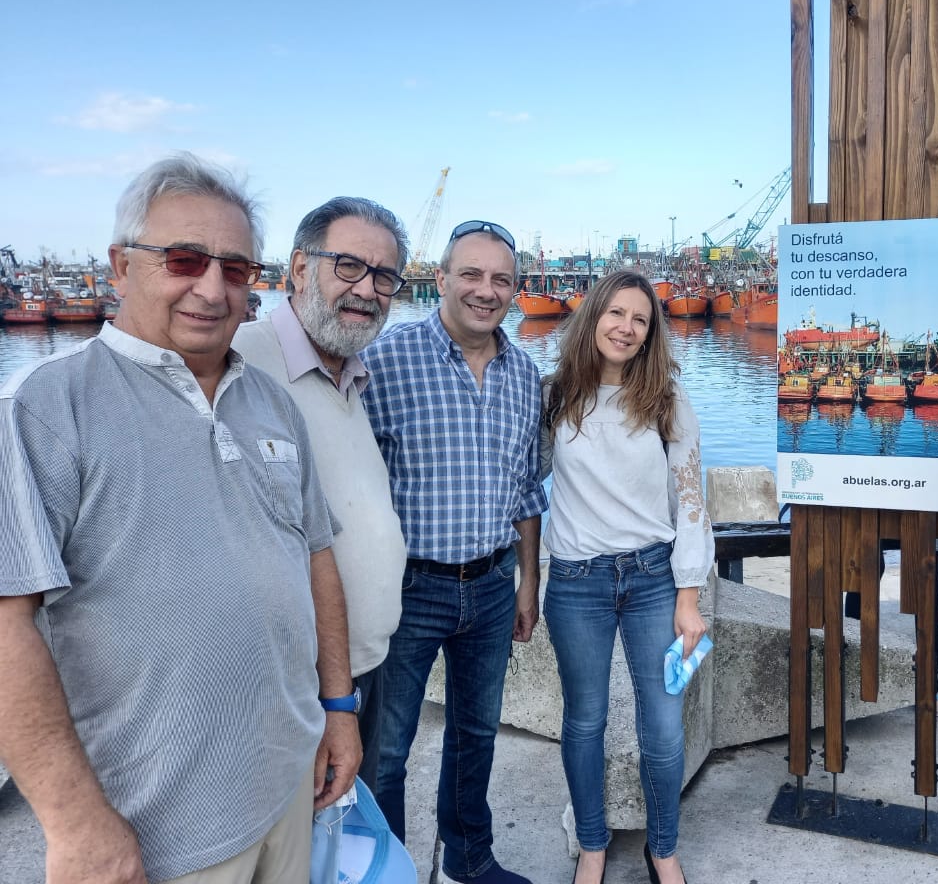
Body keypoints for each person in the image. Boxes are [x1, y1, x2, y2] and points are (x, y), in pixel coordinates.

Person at [0, 152, 359, 884]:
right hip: (156, 829)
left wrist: (339, 708)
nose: (211, 287)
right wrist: (74, 824)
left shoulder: (271, 401)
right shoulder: (43, 408)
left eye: (235, 270)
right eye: (185, 259)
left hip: (286, 784)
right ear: (120, 266)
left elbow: (316, 557)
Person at [362, 220, 546, 884]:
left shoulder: (526, 376)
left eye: (500, 279)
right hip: (408, 589)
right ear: (439, 279)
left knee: (477, 735)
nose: (485, 290)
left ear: (516, 290)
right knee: (385, 749)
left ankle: (470, 857)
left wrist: (527, 585)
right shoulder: (385, 362)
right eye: (470, 274)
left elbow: (527, 489)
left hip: (493, 586)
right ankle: (382, 869)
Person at [540, 270, 713, 884]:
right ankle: (592, 843)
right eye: (616, 313)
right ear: (593, 317)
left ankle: (662, 848)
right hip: (575, 581)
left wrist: (688, 598)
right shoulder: (554, 395)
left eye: (640, 319)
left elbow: (691, 503)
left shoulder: (667, 400)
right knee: (585, 720)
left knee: (662, 726)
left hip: (652, 580)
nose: (626, 327)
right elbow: (523, 487)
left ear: (650, 333)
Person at [233, 196, 410, 791]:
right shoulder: (239, 359)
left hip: (366, 660)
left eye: (385, 276)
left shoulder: (354, 373)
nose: (368, 288)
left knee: (365, 815)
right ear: (300, 268)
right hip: (294, 685)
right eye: (349, 265)